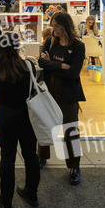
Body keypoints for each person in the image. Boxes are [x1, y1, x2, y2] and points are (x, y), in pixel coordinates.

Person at [0, 31, 40, 208]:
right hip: (27, 115)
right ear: (17, 46)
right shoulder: (28, 66)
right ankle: (31, 194)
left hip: (5, 114)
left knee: (7, 156)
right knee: (30, 154)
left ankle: (6, 199)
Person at [37, 11, 85, 186]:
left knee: (70, 131)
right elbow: (41, 63)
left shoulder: (78, 46)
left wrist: (52, 64)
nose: (54, 29)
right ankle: (42, 157)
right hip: (48, 91)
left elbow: (73, 73)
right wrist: (61, 65)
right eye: (52, 25)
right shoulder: (50, 41)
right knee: (45, 126)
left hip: (69, 94)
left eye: (57, 26)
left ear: (66, 25)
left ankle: (74, 167)